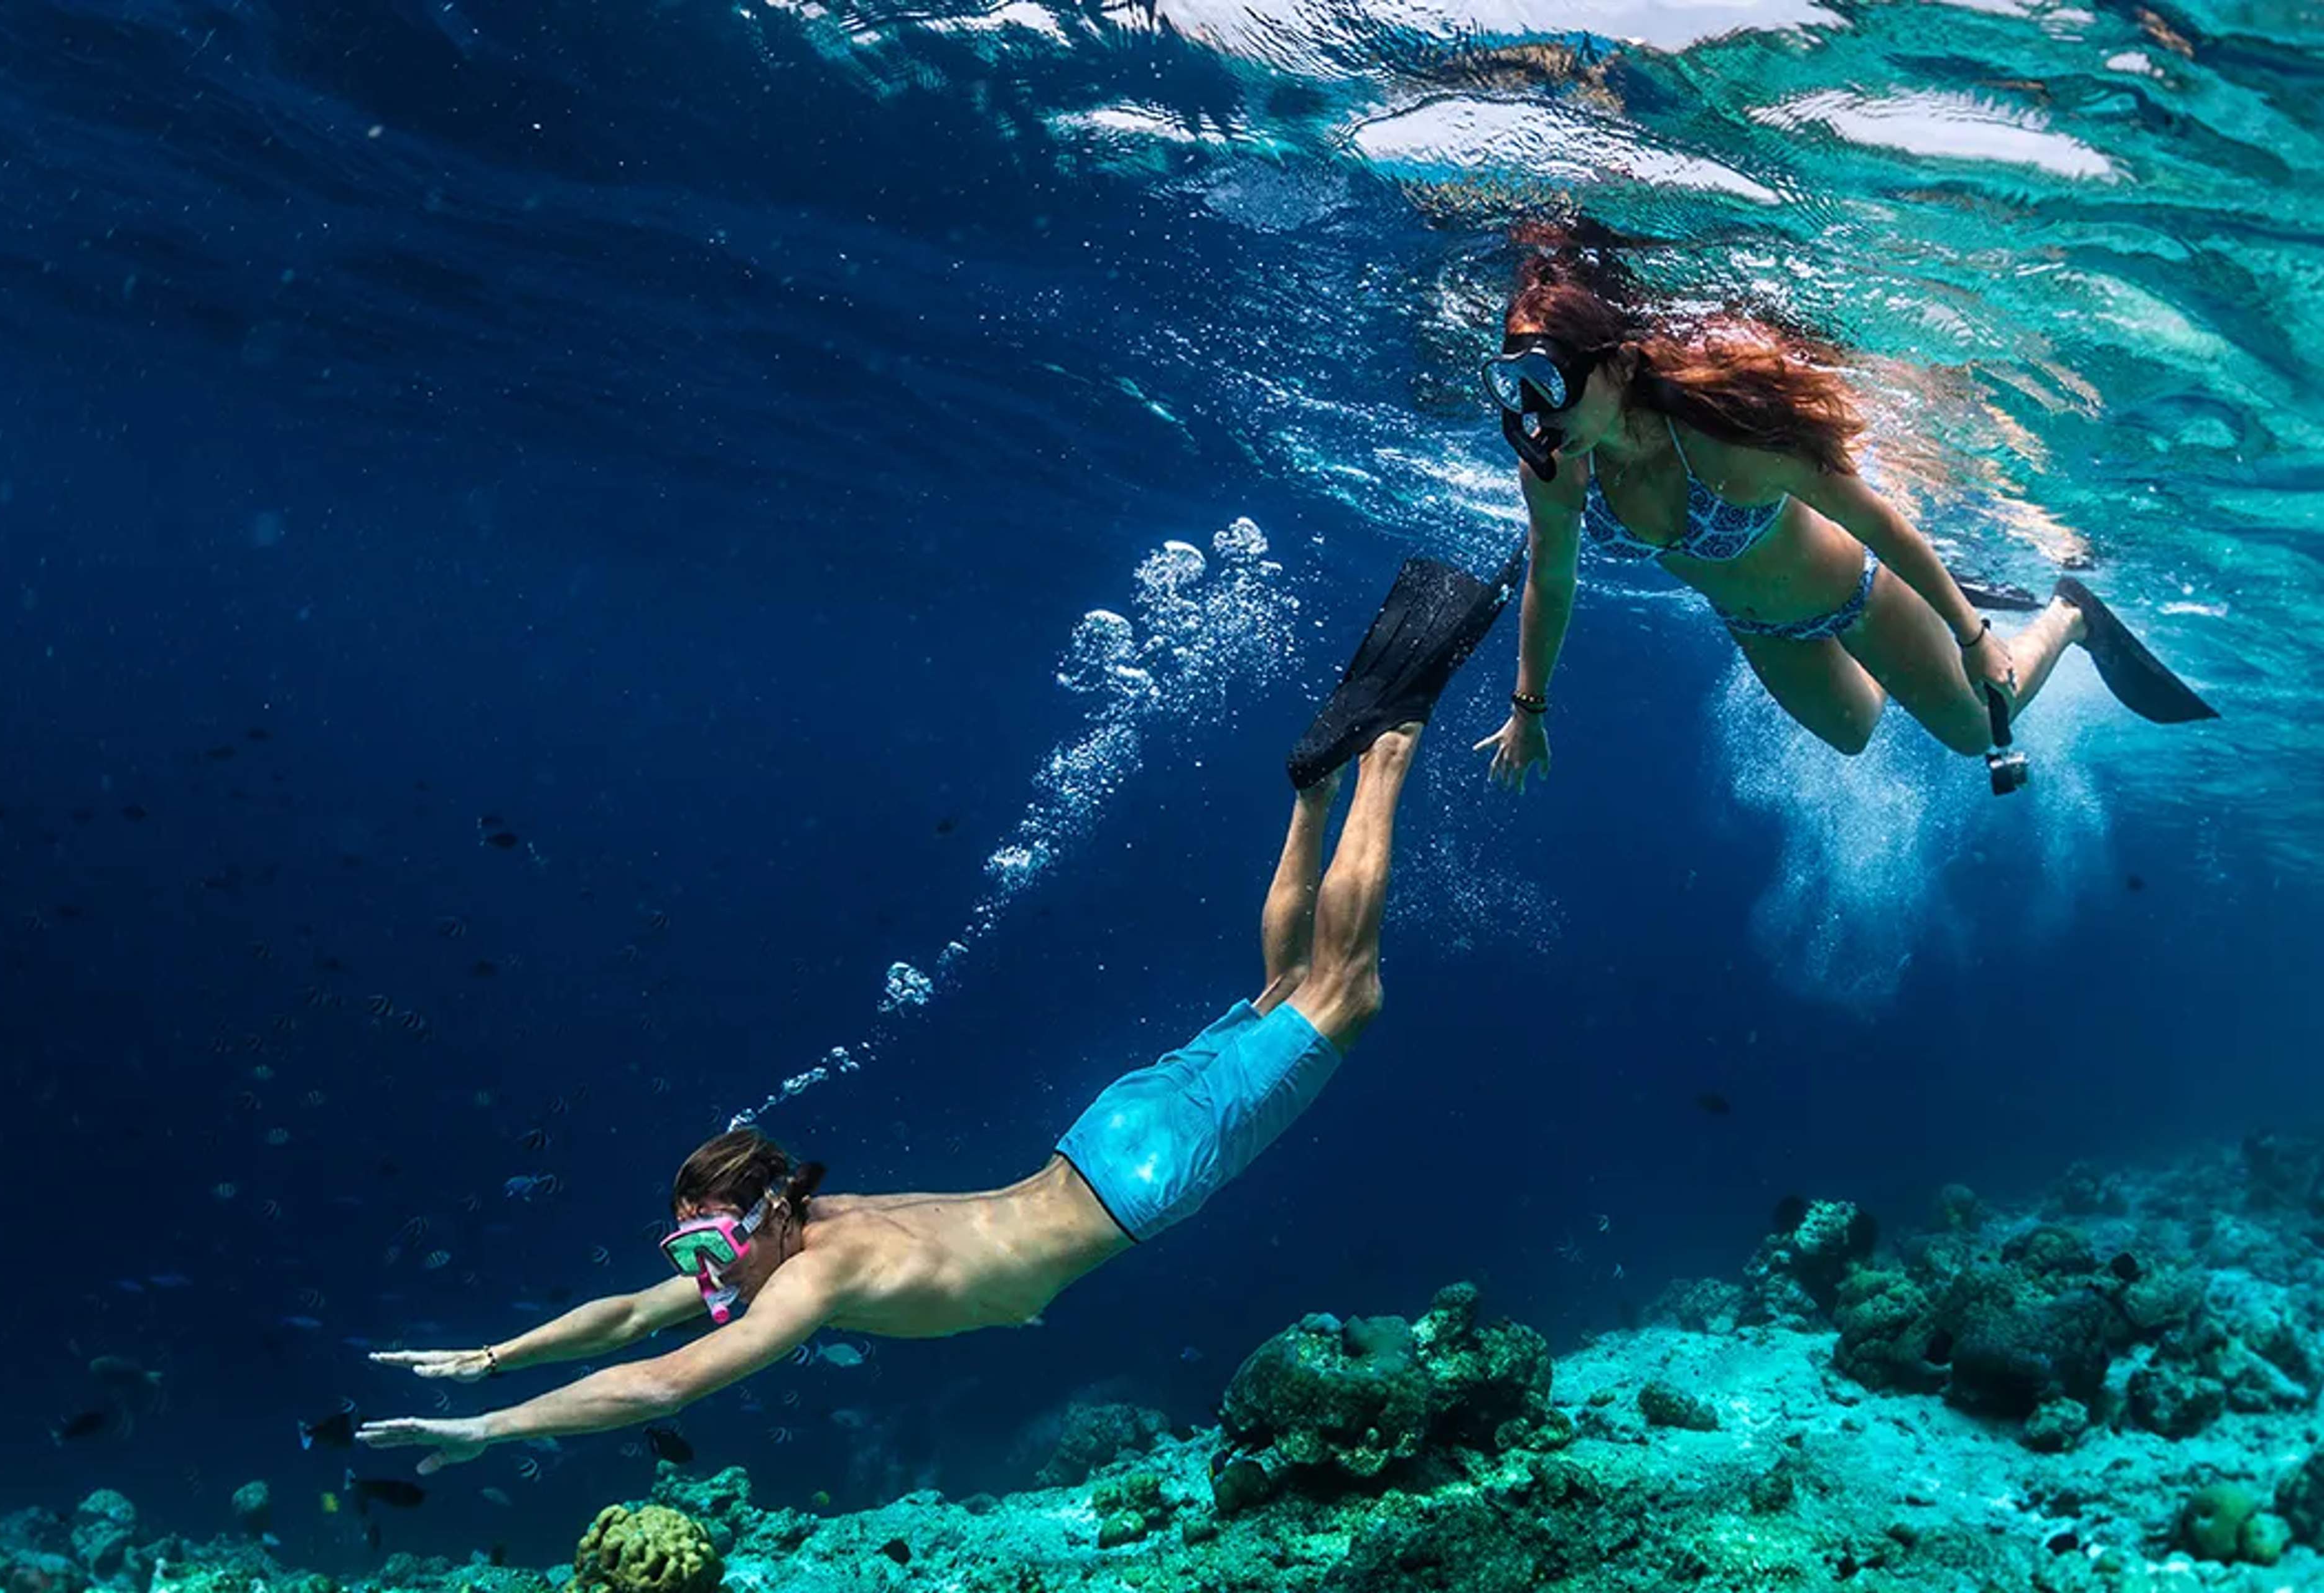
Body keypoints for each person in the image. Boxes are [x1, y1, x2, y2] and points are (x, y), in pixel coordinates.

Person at [358, 713, 1449, 1474]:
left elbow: (660, 1384)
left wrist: (483, 1433)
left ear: (766, 1217)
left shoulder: (810, 1277)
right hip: (1104, 1138)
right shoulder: (798, 1226)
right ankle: (1311, 795)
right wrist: (495, 1356)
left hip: (1137, 1175)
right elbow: (634, 1317)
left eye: (707, 1248)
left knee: (1342, 993)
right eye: (690, 1251)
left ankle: (1385, 751)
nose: (697, 1272)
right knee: (1279, 993)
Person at [1473, 221, 2214, 789]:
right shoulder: (1559, 469)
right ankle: (1936, 618)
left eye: (1550, 383)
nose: (1537, 414)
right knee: (1855, 730)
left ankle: (2067, 613)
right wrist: (1527, 707)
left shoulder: (1725, 440)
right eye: (1515, 387)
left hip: (1854, 592)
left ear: (1621, 362)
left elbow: (1879, 520)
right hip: (1759, 626)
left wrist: (1969, 636)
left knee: (1973, 730)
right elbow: (1552, 580)